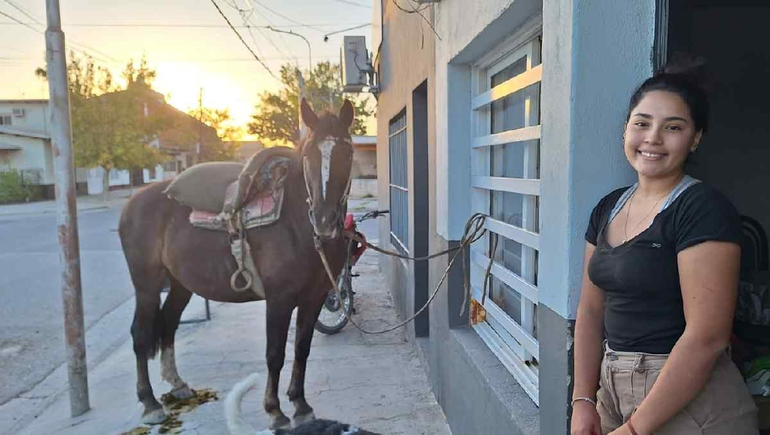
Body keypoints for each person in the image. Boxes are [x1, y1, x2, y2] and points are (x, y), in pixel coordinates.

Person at [570, 56, 759, 435]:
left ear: (695, 139)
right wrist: (583, 400)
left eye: (673, 127)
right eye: (642, 123)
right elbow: (590, 310)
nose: (653, 138)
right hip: (612, 388)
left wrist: (635, 429)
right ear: (626, 129)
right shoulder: (608, 207)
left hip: (689, 400)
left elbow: (707, 337)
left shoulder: (702, 208)